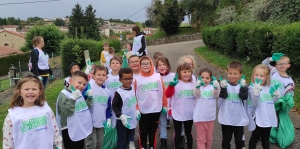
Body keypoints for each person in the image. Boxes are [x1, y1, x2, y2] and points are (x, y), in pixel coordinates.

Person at [2, 75, 62, 149]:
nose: (30, 92)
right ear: (19, 92)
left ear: (40, 92)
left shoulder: (46, 110)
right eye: (26, 89)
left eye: (34, 89)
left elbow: (54, 129)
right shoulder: (12, 116)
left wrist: (58, 145)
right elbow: (8, 142)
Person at [134, 56, 167, 149]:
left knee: (153, 130)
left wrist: (165, 105)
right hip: (143, 109)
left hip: (156, 108)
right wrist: (136, 108)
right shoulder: (137, 79)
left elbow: (163, 91)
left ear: (151, 64)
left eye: (147, 63)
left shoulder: (157, 76)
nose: (145, 65)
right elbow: (134, 95)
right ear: (140, 65)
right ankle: (143, 146)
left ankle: (152, 146)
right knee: (143, 130)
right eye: (143, 63)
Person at [56, 71, 93, 149]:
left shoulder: (78, 92)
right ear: (71, 81)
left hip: (79, 126)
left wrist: (89, 98)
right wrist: (72, 99)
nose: (81, 86)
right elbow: (67, 112)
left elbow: (84, 108)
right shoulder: (64, 94)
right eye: (79, 82)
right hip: (69, 129)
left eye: (84, 84)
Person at [218, 61, 249, 149]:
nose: (232, 76)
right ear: (227, 73)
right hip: (226, 118)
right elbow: (222, 96)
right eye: (230, 73)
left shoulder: (242, 85)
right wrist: (223, 88)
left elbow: (244, 97)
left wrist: (243, 89)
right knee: (226, 140)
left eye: (235, 73)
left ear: (240, 74)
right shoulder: (224, 85)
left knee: (239, 141)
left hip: (238, 118)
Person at [247, 64, 279, 149]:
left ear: (266, 78)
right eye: (256, 75)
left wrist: (276, 96)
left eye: (262, 76)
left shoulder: (268, 88)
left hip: (268, 117)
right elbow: (254, 103)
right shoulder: (251, 88)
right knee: (255, 138)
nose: (258, 77)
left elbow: (271, 102)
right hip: (258, 117)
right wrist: (256, 92)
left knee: (266, 139)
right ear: (253, 75)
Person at [166, 63, 196, 149]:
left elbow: (197, 96)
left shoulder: (193, 84)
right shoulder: (175, 83)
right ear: (179, 73)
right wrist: (171, 86)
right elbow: (168, 95)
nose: (187, 74)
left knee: (188, 133)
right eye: (184, 72)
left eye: (189, 71)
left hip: (189, 113)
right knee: (178, 134)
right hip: (178, 113)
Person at [86, 65, 112, 149]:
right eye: (99, 75)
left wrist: (108, 118)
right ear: (93, 76)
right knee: (91, 144)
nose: (101, 77)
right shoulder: (89, 86)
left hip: (101, 122)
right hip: (90, 122)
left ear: (106, 77)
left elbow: (108, 107)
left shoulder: (107, 92)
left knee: (100, 143)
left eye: (103, 75)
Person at [193, 68, 220, 149]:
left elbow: (216, 95)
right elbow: (196, 94)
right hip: (200, 117)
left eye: (207, 78)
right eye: (202, 77)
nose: (205, 80)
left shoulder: (212, 87)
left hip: (210, 117)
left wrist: (217, 87)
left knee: (208, 139)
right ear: (199, 78)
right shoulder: (198, 86)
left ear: (211, 79)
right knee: (201, 139)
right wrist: (197, 87)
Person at [112, 68, 138, 149]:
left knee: (130, 138)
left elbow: (135, 101)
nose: (128, 81)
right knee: (121, 140)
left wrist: (137, 111)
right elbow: (114, 106)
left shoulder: (134, 88)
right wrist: (121, 115)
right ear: (120, 80)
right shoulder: (119, 92)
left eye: (130, 78)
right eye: (125, 79)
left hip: (132, 119)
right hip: (121, 121)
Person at [156, 56, 175, 149]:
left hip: (174, 105)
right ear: (156, 67)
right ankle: (163, 140)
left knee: (178, 121)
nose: (162, 66)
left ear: (168, 66)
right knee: (162, 123)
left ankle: (180, 137)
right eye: (159, 65)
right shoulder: (156, 77)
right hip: (162, 105)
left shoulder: (173, 76)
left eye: (164, 64)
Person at [105, 56, 122, 128]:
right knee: (113, 120)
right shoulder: (107, 77)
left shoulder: (122, 76)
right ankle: (114, 136)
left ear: (120, 65)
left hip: (121, 102)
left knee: (121, 119)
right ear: (110, 66)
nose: (115, 64)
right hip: (111, 101)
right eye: (113, 63)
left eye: (117, 63)